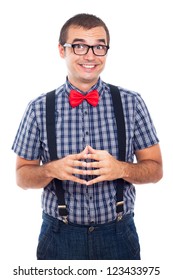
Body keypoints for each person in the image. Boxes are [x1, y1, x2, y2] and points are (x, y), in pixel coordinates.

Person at [12, 13, 163, 260]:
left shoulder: (132, 103)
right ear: (62, 50)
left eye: (99, 47)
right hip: (58, 236)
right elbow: (21, 176)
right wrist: (51, 170)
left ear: (106, 51)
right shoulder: (38, 108)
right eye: (80, 46)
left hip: (119, 235)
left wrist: (121, 169)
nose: (90, 55)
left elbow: (156, 170)